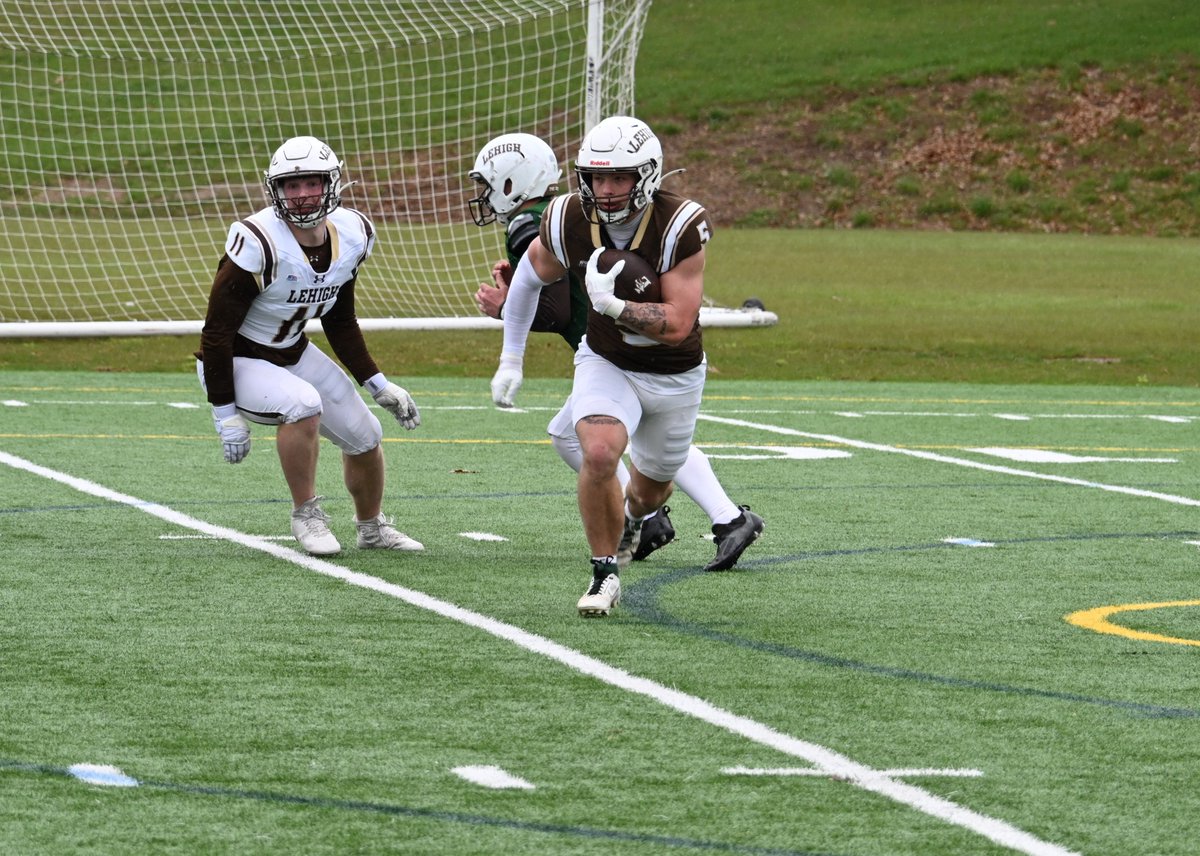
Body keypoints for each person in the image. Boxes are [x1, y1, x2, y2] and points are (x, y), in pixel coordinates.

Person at [486, 118, 765, 617]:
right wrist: (511, 358)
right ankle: (603, 573)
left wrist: (613, 306)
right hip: (607, 359)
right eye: (596, 177)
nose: (606, 190)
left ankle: (641, 519)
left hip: (675, 374)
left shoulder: (680, 225)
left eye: (619, 177)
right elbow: (528, 276)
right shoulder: (567, 216)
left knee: (648, 489)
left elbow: (678, 323)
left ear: (647, 175)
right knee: (596, 452)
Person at [195, 135, 424, 557]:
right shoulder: (258, 241)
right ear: (275, 190)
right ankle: (306, 513)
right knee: (303, 403)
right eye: (291, 186)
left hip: (293, 350)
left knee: (365, 436)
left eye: (312, 183)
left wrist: (378, 384)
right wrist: (224, 412)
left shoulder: (353, 233)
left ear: (331, 184)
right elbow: (215, 333)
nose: (301, 196)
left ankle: (371, 528)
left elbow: (339, 318)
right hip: (239, 358)